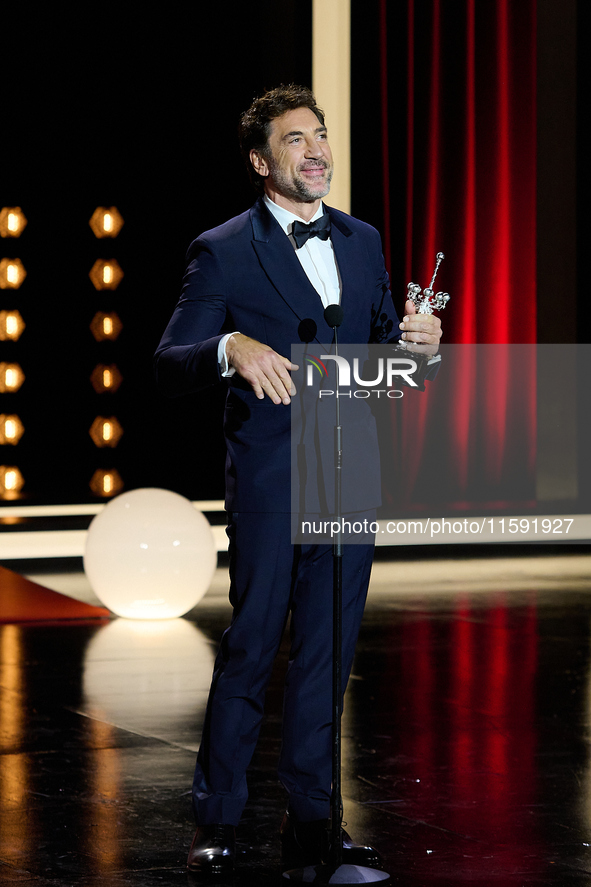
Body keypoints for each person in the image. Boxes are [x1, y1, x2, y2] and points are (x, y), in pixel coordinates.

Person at [154, 84, 442, 876]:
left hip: (349, 474)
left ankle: (314, 826)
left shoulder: (362, 240)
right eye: (295, 140)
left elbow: (387, 363)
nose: (317, 150)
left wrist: (419, 344)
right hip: (275, 478)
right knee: (252, 650)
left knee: (325, 656)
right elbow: (168, 363)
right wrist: (229, 349)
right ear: (260, 160)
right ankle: (216, 823)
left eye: (320, 136)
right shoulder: (223, 248)